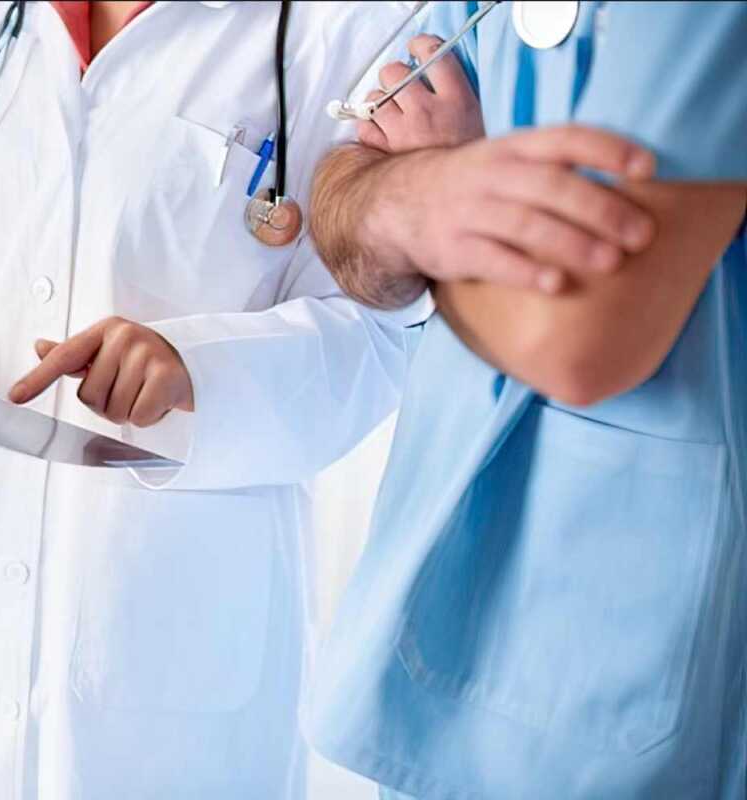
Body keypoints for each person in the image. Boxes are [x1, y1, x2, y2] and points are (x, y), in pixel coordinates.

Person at [0, 2, 437, 797]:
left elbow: (380, 330)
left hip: (173, 620)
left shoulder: (349, 26)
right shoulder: (6, 21)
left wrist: (198, 372)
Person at [303, 2, 746, 799]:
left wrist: (418, 202)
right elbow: (340, 191)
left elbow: (582, 338)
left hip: (622, 668)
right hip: (437, 654)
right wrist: (426, 196)